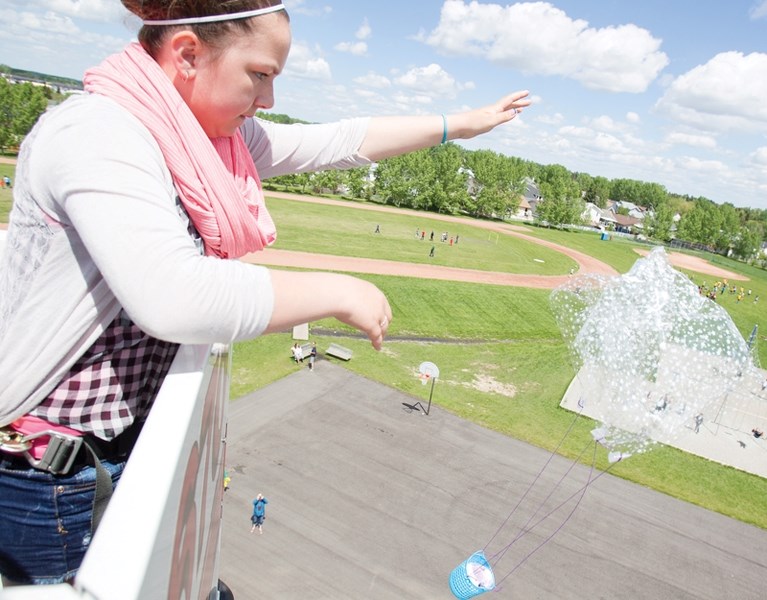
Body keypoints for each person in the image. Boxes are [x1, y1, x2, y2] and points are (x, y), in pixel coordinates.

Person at [0, 0, 530, 586]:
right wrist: (335, 289)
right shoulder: (99, 130)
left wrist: (459, 125)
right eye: (260, 75)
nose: (269, 100)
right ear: (187, 54)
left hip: (112, 455)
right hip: (42, 474)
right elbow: (173, 295)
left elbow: (338, 141)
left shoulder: (203, 140)